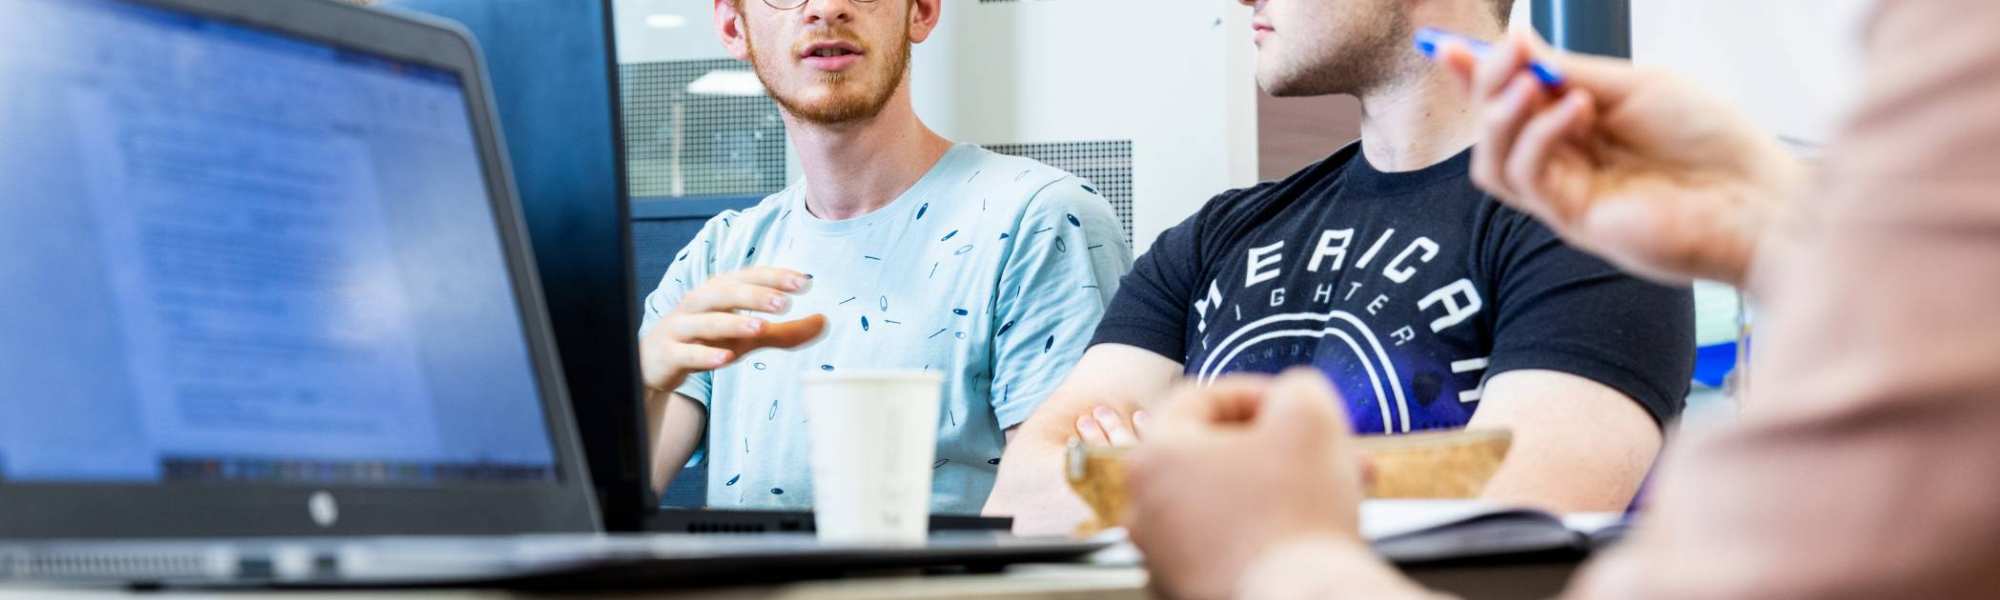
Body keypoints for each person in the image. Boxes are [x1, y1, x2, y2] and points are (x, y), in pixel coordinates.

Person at [1125, 1, 2000, 595]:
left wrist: (1275, 552)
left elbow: (1530, 521)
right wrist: (1778, 218)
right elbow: (1040, 484)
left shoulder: (1569, 228)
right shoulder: (1215, 232)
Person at [985, 0, 1694, 534]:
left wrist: (1162, 478)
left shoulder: (1593, 214)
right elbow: (1022, 499)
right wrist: (1385, 488)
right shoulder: (1212, 238)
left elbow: (1508, 523)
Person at [637, 0, 1131, 514]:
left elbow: (1065, 512)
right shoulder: (720, 256)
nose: (827, 7)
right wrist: (645, 378)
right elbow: (604, 501)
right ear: (732, 25)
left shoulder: (1038, 219)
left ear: (921, 11)